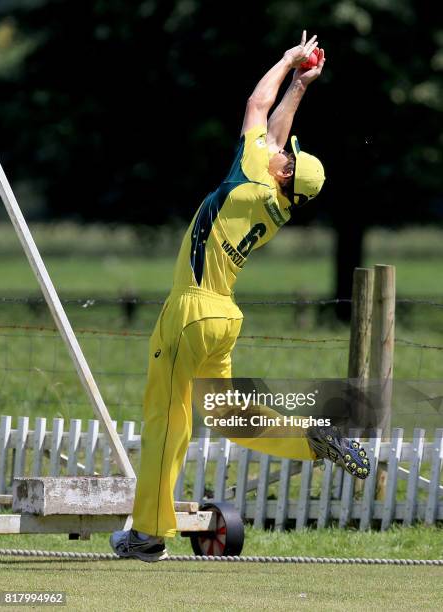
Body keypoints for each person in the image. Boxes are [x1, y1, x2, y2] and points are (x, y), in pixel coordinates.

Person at [110, 31, 370, 563]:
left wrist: (285, 61)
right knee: (230, 417)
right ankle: (310, 440)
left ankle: (147, 535)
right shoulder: (276, 205)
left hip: (191, 310)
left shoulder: (251, 178)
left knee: (166, 419)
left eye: (287, 154)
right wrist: (299, 86)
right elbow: (275, 133)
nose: (281, 147)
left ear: (283, 172)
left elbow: (257, 106)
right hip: (224, 317)